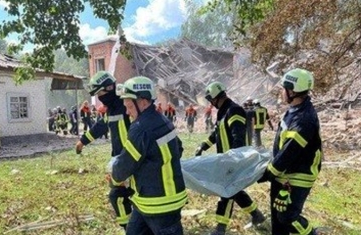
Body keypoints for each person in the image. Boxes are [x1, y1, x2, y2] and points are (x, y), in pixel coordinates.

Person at [111, 76, 187, 235]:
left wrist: (114, 178)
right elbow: (178, 149)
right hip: (150, 201)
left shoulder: (140, 128)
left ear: (143, 102)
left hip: (158, 204)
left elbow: (125, 165)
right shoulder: (163, 119)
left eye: (130, 106)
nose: (127, 112)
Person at [194, 81, 265, 235]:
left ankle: (220, 228)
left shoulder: (234, 110)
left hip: (233, 160)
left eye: (211, 100)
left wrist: (234, 158)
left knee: (226, 191)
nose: (211, 104)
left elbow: (238, 136)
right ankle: (257, 215)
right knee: (234, 190)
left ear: (215, 97)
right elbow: (216, 134)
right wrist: (203, 146)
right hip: (227, 159)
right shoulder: (223, 112)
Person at [258, 68, 322, 235]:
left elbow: (290, 151)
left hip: (298, 176)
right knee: (277, 219)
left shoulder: (304, 118)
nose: (281, 92)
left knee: (288, 216)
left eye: (283, 88)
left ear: (292, 90)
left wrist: (269, 172)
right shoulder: (296, 110)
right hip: (283, 173)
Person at [75, 71, 132, 230]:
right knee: (121, 195)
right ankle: (131, 227)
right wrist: (82, 141)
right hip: (121, 159)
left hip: (132, 159)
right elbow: (100, 126)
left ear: (110, 87)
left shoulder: (126, 105)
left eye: (100, 92)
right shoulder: (112, 109)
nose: (99, 96)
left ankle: (130, 228)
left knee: (119, 195)